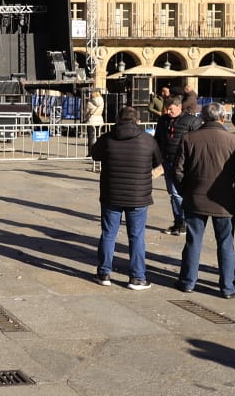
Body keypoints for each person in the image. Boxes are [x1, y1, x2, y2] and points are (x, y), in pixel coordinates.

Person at [174, 102, 235, 298]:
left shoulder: (189, 138)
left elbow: (178, 171)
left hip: (195, 198)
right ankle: (228, 288)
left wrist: (186, 190)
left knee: (193, 241)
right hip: (225, 200)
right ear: (222, 118)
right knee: (226, 243)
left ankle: (187, 282)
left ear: (202, 118)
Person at [90, 106, 165, 289]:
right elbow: (157, 161)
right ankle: (137, 277)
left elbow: (95, 154)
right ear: (137, 120)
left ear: (117, 119)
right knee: (137, 236)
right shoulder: (148, 140)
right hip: (138, 196)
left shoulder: (107, 138)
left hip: (111, 194)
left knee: (109, 234)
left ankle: (104, 273)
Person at [154, 94, 202, 234]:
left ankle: (184, 222)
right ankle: (179, 222)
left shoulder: (192, 121)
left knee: (178, 193)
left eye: (171, 109)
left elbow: (197, 143)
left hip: (184, 163)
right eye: (166, 109)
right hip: (168, 162)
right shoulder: (163, 121)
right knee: (173, 194)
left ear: (179, 106)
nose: (168, 112)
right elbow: (158, 139)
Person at [84, 88, 105, 156]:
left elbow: (86, 112)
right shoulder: (102, 102)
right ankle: (98, 152)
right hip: (99, 120)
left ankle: (91, 153)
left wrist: (85, 117)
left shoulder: (90, 102)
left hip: (91, 121)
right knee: (98, 137)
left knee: (91, 138)